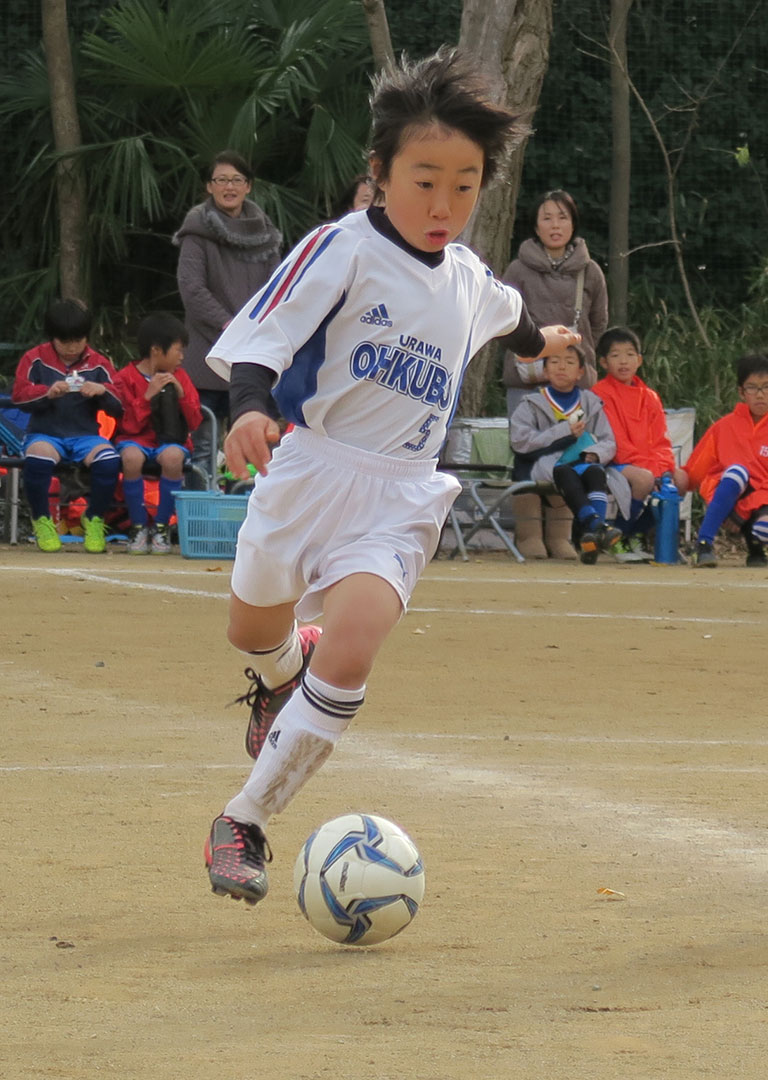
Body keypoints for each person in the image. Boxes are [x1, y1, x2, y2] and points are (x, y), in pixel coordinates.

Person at [201, 49, 579, 906]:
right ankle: (277, 675)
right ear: (378, 173)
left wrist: (544, 345)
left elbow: (511, 322)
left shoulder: (473, 279)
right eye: (424, 181)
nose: (444, 205)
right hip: (310, 471)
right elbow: (268, 331)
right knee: (249, 629)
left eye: (465, 184)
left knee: (356, 643)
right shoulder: (341, 248)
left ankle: (244, 821)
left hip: (403, 492)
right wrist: (252, 408)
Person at [174, 150, 283, 480]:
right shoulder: (196, 232)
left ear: (248, 186)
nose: (229, 187)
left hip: (253, 359)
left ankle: (252, 524)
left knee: (256, 451)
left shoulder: (265, 233)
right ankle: (194, 525)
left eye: (237, 180)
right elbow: (192, 290)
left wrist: (256, 330)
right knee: (203, 451)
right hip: (206, 357)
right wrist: (230, 326)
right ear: (209, 186)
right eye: (221, 180)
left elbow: (277, 290)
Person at [9, 298, 123, 553]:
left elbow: (121, 403)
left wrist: (102, 390)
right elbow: (19, 396)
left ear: (86, 337)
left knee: (108, 459)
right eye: (65, 341)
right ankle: (42, 520)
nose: (72, 347)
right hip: (46, 434)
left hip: (86, 436)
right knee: (37, 456)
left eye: (78, 340)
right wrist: (46, 392)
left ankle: (94, 519)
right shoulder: (34, 359)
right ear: (52, 338)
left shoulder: (99, 363)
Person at [510, 346, 625, 564]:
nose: (562, 367)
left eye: (570, 362)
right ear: (544, 371)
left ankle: (592, 534)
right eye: (554, 362)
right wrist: (563, 431)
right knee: (565, 472)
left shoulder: (590, 403)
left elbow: (608, 440)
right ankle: (597, 528)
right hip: (540, 464)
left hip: (580, 461)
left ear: (580, 372)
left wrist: (594, 453)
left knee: (595, 473)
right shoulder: (531, 402)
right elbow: (520, 441)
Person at [500, 189, 609, 413]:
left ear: (573, 223)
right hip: (526, 381)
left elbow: (598, 323)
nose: (555, 225)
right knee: (527, 445)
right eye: (547, 218)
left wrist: (575, 352)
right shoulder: (518, 270)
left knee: (576, 446)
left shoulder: (590, 271)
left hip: (577, 382)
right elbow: (503, 320)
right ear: (536, 227)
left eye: (562, 217)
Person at [110, 313, 203, 554]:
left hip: (169, 442)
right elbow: (127, 426)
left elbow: (194, 421)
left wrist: (181, 394)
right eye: (177, 350)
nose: (182, 357)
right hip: (135, 440)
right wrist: (147, 396)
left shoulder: (180, 377)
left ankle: (162, 526)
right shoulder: (125, 378)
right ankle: (138, 525)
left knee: (172, 458)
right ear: (156, 350)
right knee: (131, 457)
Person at [593, 325, 689, 545]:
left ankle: (634, 533)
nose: (624, 362)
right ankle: (619, 534)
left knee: (681, 479)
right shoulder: (600, 393)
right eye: (616, 356)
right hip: (614, 461)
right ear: (604, 363)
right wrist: (651, 471)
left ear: (639, 360)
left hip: (648, 463)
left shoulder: (650, 397)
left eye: (629, 355)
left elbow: (661, 440)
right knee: (644, 479)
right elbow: (616, 441)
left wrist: (663, 469)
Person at [685, 351, 768, 568]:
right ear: (741, 392)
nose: (760, 394)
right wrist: (679, 482)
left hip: (761, 501)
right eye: (752, 388)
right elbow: (696, 471)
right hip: (726, 496)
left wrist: (743, 510)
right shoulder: (724, 426)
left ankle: (756, 548)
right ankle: (703, 544)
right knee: (737, 473)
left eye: (767, 387)